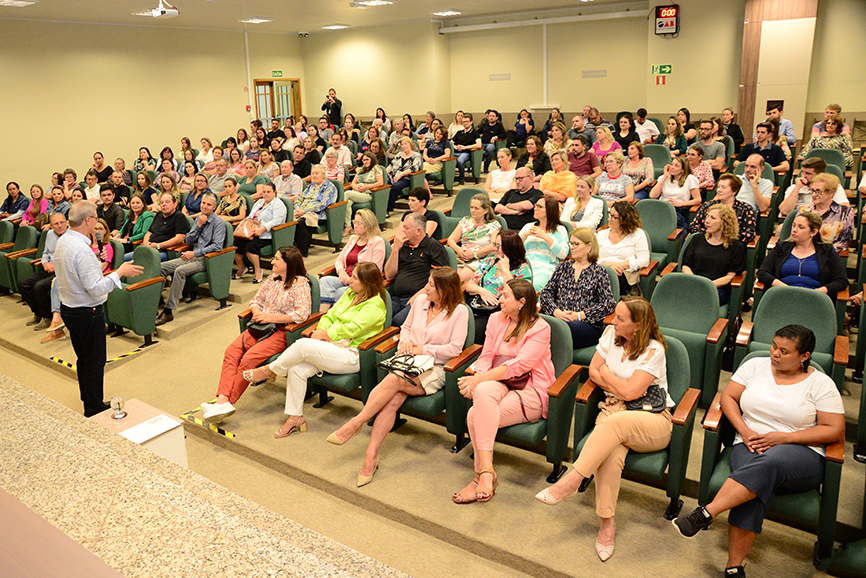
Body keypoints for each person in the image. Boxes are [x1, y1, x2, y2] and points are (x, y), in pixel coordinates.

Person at [672, 325, 844, 578]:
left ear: (804, 356)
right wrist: (745, 429)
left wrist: (785, 438)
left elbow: (834, 430)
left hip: (801, 452)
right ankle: (733, 567)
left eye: (784, 351)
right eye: (774, 346)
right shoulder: (754, 366)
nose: (775, 353)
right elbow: (728, 398)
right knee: (756, 486)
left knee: (769, 462)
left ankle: (708, 512)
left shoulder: (820, 384)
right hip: (750, 443)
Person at [536, 296, 672, 562]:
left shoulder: (655, 350)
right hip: (613, 410)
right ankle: (607, 524)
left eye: (621, 318)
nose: (612, 321)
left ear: (638, 325)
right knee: (609, 455)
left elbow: (630, 390)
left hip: (653, 420)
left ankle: (572, 480)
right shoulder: (611, 334)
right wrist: (618, 384)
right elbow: (594, 371)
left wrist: (610, 378)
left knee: (615, 424)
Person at [327, 267, 469, 485]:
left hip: (437, 368)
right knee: (392, 399)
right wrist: (405, 344)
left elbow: (454, 349)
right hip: (409, 362)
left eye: (431, 285)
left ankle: (356, 422)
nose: (426, 288)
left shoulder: (459, 312)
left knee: (393, 379)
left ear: (444, 290)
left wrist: (422, 350)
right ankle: (370, 457)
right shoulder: (421, 301)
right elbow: (406, 328)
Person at [246, 262, 387, 439]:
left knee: (303, 345)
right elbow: (330, 315)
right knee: (296, 369)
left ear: (367, 282)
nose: (349, 279)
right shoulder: (351, 294)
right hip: (333, 347)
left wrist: (325, 334)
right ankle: (295, 418)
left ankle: (269, 370)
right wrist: (321, 331)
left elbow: (353, 329)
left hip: (352, 354)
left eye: (355, 277)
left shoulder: (375, 305)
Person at [453, 279, 555, 504]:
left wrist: (478, 380)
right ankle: (487, 473)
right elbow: (487, 356)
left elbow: (519, 366)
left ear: (521, 302)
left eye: (505, 296)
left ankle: (480, 475)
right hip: (501, 382)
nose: (499, 299)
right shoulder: (495, 319)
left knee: (473, 415)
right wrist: (476, 381)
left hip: (531, 389)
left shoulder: (540, 328)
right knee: (482, 393)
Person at [199, 246, 311, 423]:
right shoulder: (272, 279)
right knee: (231, 352)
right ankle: (222, 400)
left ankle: (227, 400)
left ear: (288, 264)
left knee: (248, 359)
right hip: (260, 325)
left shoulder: (301, 285)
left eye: (276, 259)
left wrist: (270, 317)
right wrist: (257, 311)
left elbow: (301, 315)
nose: (272, 262)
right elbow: (256, 300)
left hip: (282, 331)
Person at [53, 201, 143, 416]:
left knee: (83, 359)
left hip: (70, 308)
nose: (96, 222)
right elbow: (96, 289)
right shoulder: (82, 250)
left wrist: (95, 263)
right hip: (87, 312)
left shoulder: (63, 240)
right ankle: (93, 408)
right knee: (94, 362)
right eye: (94, 218)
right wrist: (119, 273)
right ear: (88, 220)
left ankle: (88, 398)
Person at [154, 192, 224, 325]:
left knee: (179, 271)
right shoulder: (198, 219)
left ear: (214, 207)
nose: (204, 206)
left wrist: (195, 253)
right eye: (203, 203)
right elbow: (188, 239)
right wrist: (198, 226)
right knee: (162, 267)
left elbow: (217, 246)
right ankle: (155, 303)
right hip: (192, 255)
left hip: (206, 260)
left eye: (208, 204)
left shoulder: (218, 223)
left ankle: (168, 311)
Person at [540, 228, 615, 347]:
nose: (572, 247)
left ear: (589, 247)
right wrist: (556, 311)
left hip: (586, 324)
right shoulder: (563, 267)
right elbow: (546, 293)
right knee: (539, 324)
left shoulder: (599, 272)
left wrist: (580, 315)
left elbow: (608, 304)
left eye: (576, 244)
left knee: (558, 329)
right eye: (571, 243)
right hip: (559, 318)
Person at [758, 211, 847, 299]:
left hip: (814, 298)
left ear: (813, 232)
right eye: (793, 225)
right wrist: (784, 288)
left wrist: (819, 292)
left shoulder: (827, 251)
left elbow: (841, 280)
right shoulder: (781, 248)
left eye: (801, 227)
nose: (794, 230)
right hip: (783, 295)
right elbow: (762, 272)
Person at [384, 212, 449, 327]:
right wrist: (395, 249)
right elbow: (389, 275)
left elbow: (441, 278)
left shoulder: (433, 247)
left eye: (406, 228)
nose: (402, 231)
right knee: (381, 318)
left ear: (418, 231)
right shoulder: (402, 246)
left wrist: (421, 294)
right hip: (397, 297)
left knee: (397, 322)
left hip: (421, 298)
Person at [321, 209, 385, 312]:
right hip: (345, 277)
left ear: (368, 225)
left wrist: (353, 279)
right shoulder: (353, 239)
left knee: (340, 293)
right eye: (354, 222)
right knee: (325, 281)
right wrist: (341, 272)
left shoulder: (377, 242)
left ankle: (337, 316)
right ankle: (322, 314)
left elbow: (374, 269)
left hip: (362, 283)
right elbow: (339, 259)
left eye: (359, 223)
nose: (355, 226)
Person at [682, 204, 746, 305]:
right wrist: (695, 282)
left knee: (696, 299)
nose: (707, 221)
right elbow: (685, 265)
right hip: (693, 283)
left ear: (725, 223)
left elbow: (729, 277)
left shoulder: (736, 246)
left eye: (713, 218)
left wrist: (707, 285)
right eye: (707, 216)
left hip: (716, 288)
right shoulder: (697, 239)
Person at [19, 212, 67, 328]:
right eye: (56, 224)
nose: (60, 226)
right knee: (23, 284)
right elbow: (45, 253)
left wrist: (55, 266)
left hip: (61, 273)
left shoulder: (71, 237)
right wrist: (45, 262)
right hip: (48, 269)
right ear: (51, 225)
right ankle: (38, 313)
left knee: (39, 287)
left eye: (62, 223)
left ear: (66, 223)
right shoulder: (49, 234)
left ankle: (48, 317)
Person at [234, 183, 287, 281]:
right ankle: (242, 267)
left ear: (274, 192)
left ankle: (257, 270)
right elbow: (250, 216)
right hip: (252, 231)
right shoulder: (259, 202)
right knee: (235, 244)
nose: (266, 194)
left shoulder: (278, 205)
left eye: (268, 192)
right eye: (264, 192)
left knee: (250, 247)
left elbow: (276, 221)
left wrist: (262, 229)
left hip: (268, 234)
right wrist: (244, 225)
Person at [597, 201, 649, 295]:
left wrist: (620, 265)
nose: (609, 219)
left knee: (613, 278)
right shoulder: (601, 234)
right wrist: (609, 265)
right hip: (601, 269)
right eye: (610, 215)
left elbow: (644, 260)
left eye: (614, 217)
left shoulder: (638, 234)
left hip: (624, 273)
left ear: (625, 219)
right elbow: (591, 257)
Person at [447, 193, 501, 283]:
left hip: (480, 258)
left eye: (476, 208)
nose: (473, 211)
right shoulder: (465, 221)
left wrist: (474, 254)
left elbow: (494, 245)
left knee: (462, 277)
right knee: (450, 277)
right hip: (461, 257)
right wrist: (459, 249)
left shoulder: (493, 225)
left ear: (486, 210)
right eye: (471, 207)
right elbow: (451, 239)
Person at [795, 173, 854, 255]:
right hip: (803, 253)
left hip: (829, 256)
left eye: (818, 191)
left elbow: (844, 241)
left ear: (831, 193)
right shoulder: (804, 211)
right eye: (812, 190)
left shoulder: (845, 212)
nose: (814, 195)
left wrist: (822, 253)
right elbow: (795, 235)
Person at [690, 174, 757, 244]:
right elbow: (694, 226)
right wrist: (712, 236)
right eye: (718, 187)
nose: (719, 190)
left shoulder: (745, 208)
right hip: (707, 243)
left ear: (734, 191)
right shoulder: (709, 205)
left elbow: (750, 234)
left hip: (732, 246)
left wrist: (722, 237)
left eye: (723, 187)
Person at [520, 196, 569, 291]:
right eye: (535, 206)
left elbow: (563, 254)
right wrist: (524, 235)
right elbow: (513, 249)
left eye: (539, 207)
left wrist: (544, 236)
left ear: (549, 211)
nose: (535, 209)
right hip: (524, 267)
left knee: (535, 285)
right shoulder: (528, 226)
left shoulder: (560, 230)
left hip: (545, 268)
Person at [778, 157, 849, 217]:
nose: (803, 176)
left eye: (808, 173)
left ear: (820, 174)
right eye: (802, 172)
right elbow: (784, 211)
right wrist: (797, 188)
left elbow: (845, 209)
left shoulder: (832, 187)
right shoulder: (794, 188)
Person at [292, 165, 337, 258]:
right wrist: (297, 208)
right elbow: (299, 199)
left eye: (317, 173)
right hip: (302, 211)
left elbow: (323, 204)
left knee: (301, 222)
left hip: (318, 214)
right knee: (287, 219)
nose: (314, 175)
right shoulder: (311, 186)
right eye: (312, 173)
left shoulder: (329, 187)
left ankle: (302, 253)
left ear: (323, 175)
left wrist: (304, 211)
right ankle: (291, 250)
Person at [650, 156, 702, 230]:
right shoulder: (664, 178)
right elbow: (652, 196)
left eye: (676, 166)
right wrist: (665, 177)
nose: (672, 167)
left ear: (683, 170)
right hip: (662, 208)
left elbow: (698, 199)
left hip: (678, 210)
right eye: (672, 164)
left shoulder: (690, 178)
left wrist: (679, 204)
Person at [141, 192, 192, 262]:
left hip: (165, 252)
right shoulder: (158, 215)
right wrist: (146, 242)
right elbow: (149, 233)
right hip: (149, 248)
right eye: (162, 202)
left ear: (175, 204)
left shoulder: (179, 217)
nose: (164, 204)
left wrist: (158, 246)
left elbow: (179, 239)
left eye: (167, 202)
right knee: (125, 258)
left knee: (141, 260)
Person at [386, 137, 423, 213]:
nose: (403, 146)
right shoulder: (399, 154)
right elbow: (391, 165)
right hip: (393, 176)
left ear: (410, 144)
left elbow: (414, 168)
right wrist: (385, 172)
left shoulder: (416, 155)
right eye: (402, 144)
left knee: (396, 186)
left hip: (407, 178)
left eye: (405, 144)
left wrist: (400, 175)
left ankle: (387, 209)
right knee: (384, 184)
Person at [113, 192, 154, 257]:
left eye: (138, 203)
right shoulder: (129, 214)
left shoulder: (148, 216)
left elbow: (144, 233)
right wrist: (116, 237)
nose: (135, 205)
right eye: (133, 203)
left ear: (143, 204)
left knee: (116, 256)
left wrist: (127, 240)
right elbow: (123, 228)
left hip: (134, 245)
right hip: (123, 242)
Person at [452, 113, 481, 186]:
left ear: (471, 122)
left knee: (460, 160)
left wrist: (465, 147)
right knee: (447, 159)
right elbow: (451, 142)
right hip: (456, 151)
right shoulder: (459, 132)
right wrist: (455, 146)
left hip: (466, 153)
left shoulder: (475, 133)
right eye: (463, 122)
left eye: (467, 121)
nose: (465, 123)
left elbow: (478, 144)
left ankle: (461, 179)